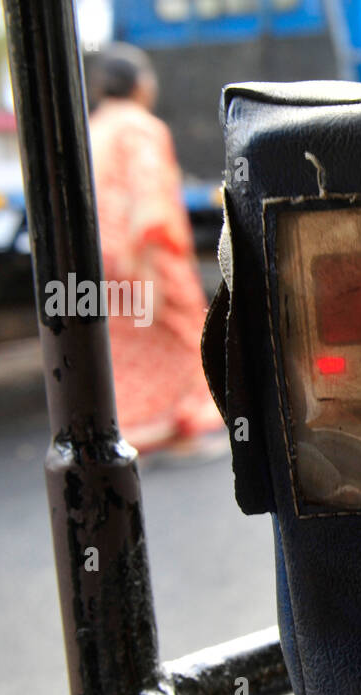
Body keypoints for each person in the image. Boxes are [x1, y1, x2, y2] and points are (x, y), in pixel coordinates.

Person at [86, 44, 224, 455]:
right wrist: (144, 260)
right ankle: (181, 428)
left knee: (127, 350)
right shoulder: (140, 128)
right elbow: (148, 197)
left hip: (100, 258)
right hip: (140, 254)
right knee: (182, 337)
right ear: (140, 85)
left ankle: (136, 433)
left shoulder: (93, 128)